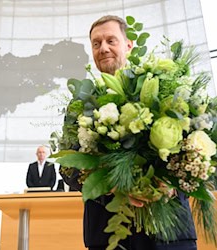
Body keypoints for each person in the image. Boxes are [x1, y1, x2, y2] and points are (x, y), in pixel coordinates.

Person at [61, 15, 197, 250]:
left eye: (111, 41)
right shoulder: (78, 106)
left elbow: (196, 148)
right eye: (96, 43)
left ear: (128, 45)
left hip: (170, 235)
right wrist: (113, 186)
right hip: (108, 235)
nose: (103, 48)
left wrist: (171, 181)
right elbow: (66, 168)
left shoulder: (166, 86)